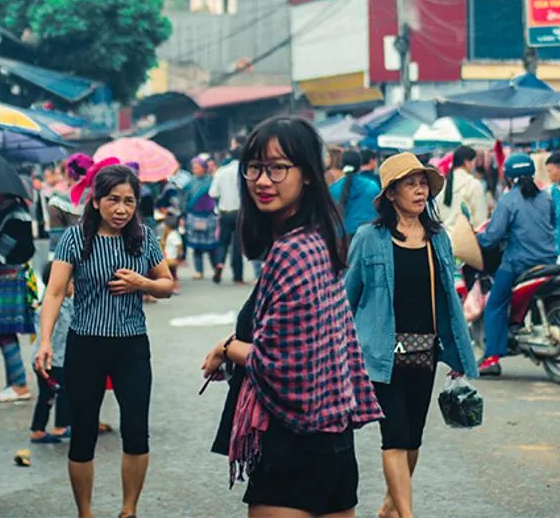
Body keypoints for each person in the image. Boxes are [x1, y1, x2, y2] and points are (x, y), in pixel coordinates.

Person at [200, 117, 381, 518]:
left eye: (278, 167)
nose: (263, 180)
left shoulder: (292, 251)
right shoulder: (318, 238)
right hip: (333, 442)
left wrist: (229, 348)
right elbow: (300, 339)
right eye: (255, 167)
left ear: (309, 176)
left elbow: (282, 365)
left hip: (291, 444)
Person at [35, 164, 175, 518]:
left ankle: (129, 510)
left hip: (131, 346)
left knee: (136, 430)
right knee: (83, 433)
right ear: (96, 201)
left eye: (129, 201)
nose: (122, 209)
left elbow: (167, 285)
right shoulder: (75, 239)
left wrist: (143, 284)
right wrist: (46, 341)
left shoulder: (144, 237)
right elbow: (53, 293)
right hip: (85, 345)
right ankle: (86, 511)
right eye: (113, 200)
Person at [345, 153, 478, 518]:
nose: (420, 190)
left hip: (425, 351)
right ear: (391, 193)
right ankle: (407, 515)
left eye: (423, 183)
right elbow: (348, 295)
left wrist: (457, 354)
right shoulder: (368, 238)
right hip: (381, 353)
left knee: (413, 438)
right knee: (395, 435)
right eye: (410, 184)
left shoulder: (438, 239)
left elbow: (449, 297)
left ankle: (390, 506)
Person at [475, 153, 557, 377]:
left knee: (495, 304)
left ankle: (491, 357)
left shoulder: (508, 200)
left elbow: (493, 237)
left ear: (509, 177)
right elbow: (551, 225)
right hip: (550, 261)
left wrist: (475, 239)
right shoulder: (546, 197)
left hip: (518, 263)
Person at [0, 190, 37, 405]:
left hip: (10, 276)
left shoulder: (15, 216)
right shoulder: (7, 212)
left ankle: (19, 384)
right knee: (5, 333)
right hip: (7, 276)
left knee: (5, 332)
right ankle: (15, 382)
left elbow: (3, 250)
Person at [30, 262, 73, 445]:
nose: (74, 285)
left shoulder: (56, 303)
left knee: (47, 395)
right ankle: (60, 427)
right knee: (63, 392)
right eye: (71, 282)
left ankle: (38, 429)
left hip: (47, 360)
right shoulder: (57, 308)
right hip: (53, 361)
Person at [331, 149, 382, 242]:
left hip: (342, 239)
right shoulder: (372, 186)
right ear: (359, 165)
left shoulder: (333, 189)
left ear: (342, 165)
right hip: (369, 237)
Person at [210, 147, 244, 284]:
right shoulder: (244, 172)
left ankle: (219, 264)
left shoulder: (221, 172)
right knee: (237, 245)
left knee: (222, 242)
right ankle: (237, 276)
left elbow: (213, 193)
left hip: (224, 212)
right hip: (240, 213)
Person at [437, 145, 489, 230]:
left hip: (444, 238)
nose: (474, 166)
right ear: (467, 162)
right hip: (465, 239)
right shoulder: (473, 184)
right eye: (473, 162)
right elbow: (480, 221)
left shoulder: (443, 184)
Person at [185, 156, 220, 280]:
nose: (195, 170)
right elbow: (186, 199)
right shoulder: (190, 183)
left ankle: (216, 267)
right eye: (194, 168)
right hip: (194, 216)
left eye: (197, 167)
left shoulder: (211, 181)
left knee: (211, 246)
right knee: (196, 247)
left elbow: (216, 196)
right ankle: (199, 271)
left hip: (208, 216)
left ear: (204, 168)